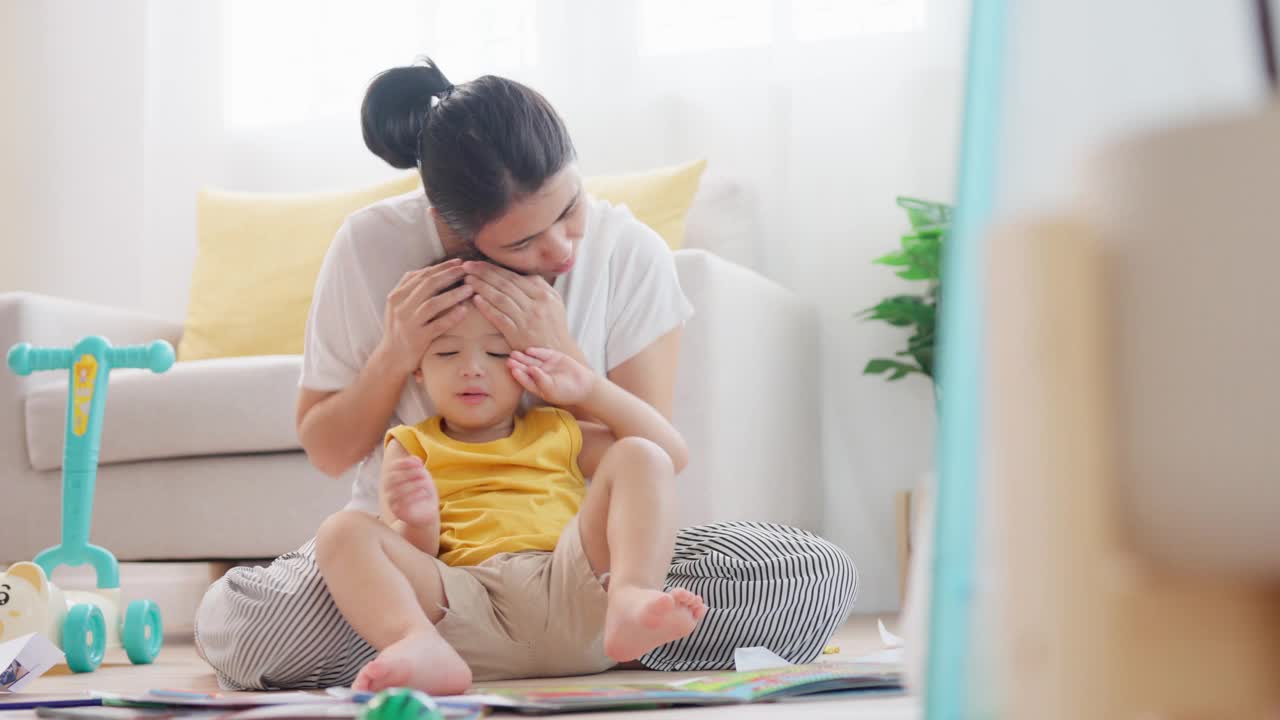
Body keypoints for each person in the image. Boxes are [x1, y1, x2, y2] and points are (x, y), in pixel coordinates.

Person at [194, 56, 857, 690]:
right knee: (240, 622)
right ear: (449, 232)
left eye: (570, 209)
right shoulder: (370, 246)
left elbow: (644, 453)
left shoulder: (632, 256)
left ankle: (595, 625)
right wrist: (395, 354)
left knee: (813, 574)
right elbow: (328, 448)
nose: (562, 249)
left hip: (579, 562)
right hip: (426, 577)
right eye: (522, 242)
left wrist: (566, 358)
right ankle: (491, 644)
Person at [316, 293, 708, 693]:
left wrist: (590, 389)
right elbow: (408, 557)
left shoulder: (556, 429)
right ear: (418, 370)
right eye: (448, 352)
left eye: (497, 353)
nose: (471, 369)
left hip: (568, 589)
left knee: (640, 453)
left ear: (526, 364)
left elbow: (669, 454)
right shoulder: (410, 443)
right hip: (465, 607)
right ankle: (416, 641)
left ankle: (630, 598)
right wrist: (419, 520)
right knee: (341, 530)